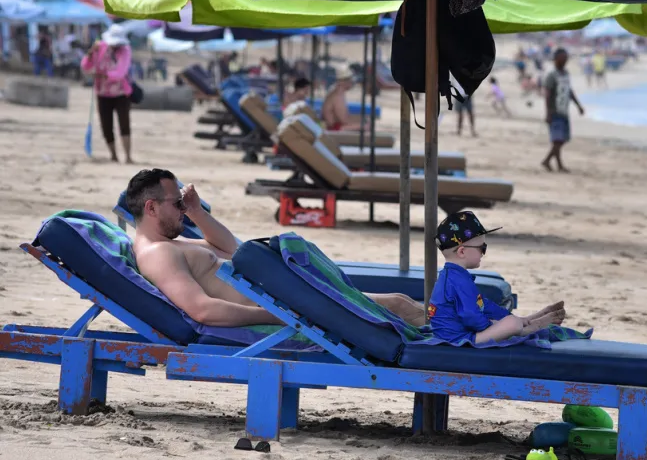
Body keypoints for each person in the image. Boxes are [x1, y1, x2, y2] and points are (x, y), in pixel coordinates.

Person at [129, 169, 426, 327]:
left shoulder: (169, 242)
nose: (182, 209)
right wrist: (282, 315)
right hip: (285, 304)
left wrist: (197, 212)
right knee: (398, 306)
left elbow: (230, 248)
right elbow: (204, 311)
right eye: (177, 204)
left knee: (400, 302)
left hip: (287, 295)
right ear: (151, 207)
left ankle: (457, 331)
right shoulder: (159, 253)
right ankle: (456, 340)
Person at [429, 211, 565, 344]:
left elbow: (482, 305)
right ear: (462, 251)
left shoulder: (455, 276)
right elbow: (470, 315)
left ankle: (526, 321)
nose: (483, 253)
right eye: (482, 248)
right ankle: (527, 329)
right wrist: (492, 326)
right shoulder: (458, 281)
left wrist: (506, 316)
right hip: (460, 339)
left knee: (511, 321)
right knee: (512, 324)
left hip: (457, 333)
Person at [81, 26, 134, 163]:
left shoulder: (125, 50)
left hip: (121, 93)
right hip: (102, 93)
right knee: (106, 125)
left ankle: (127, 156)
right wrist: (90, 53)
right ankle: (113, 155)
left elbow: (120, 73)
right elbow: (86, 66)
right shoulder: (100, 48)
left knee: (124, 124)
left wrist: (102, 75)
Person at [542, 48, 584, 173]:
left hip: (564, 111)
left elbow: (569, 92)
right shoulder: (551, 75)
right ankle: (550, 162)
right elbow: (548, 95)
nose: (565, 60)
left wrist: (578, 106)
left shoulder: (566, 74)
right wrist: (548, 113)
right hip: (555, 112)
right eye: (563, 58)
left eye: (566, 58)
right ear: (556, 59)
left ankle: (554, 163)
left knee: (561, 139)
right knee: (558, 140)